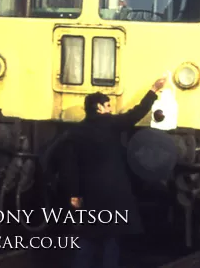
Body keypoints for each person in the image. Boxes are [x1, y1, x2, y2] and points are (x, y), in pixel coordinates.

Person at [61, 77, 166, 268]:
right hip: (113, 193)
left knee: (88, 237)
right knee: (112, 239)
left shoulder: (76, 132)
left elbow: (71, 166)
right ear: (99, 108)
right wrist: (153, 91)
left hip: (89, 193)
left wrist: (74, 194)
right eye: (107, 105)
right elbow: (137, 113)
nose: (110, 109)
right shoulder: (111, 124)